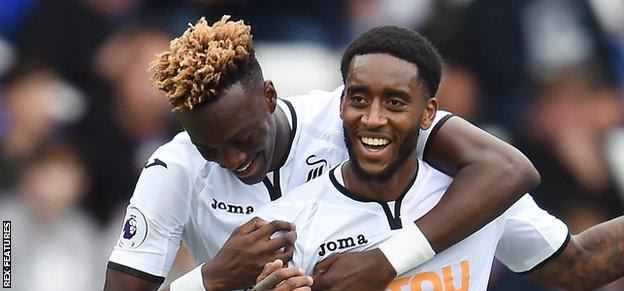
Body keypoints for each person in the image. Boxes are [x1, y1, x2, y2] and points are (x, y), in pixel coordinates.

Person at [103, 16, 540, 291]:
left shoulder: (351, 117)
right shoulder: (174, 169)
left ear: (269, 96)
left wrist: (385, 261)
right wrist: (213, 278)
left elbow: (506, 168)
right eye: (209, 150)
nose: (233, 161)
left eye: (242, 139)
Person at [254, 25, 624, 291]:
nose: (373, 118)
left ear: (428, 113)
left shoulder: (477, 199)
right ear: (341, 103)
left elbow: (581, 263)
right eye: (359, 99)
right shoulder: (290, 223)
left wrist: (387, 260)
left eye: (395, 102)